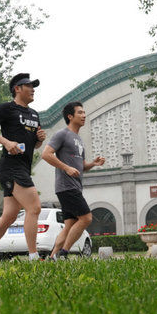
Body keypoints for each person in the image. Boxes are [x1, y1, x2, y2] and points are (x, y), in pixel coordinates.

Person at [0, 73, 46, 261]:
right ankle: (34, 257)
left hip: (23, 167)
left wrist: (39, 140)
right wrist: (6, 142)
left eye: (34, 86)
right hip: (11, 167)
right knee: (34, 207)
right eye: (29, 86)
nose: (33, 89)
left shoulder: (34, 114)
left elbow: (35, 145)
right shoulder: (7, 108)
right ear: (17, 88)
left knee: (9, 216)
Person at [41, 101, 105, 259]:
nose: (84, 115)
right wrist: (66, 168)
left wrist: (93, 164)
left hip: (75, 186)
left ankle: (53, 257)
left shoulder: (79, 140)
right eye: (80, 113)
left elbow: (81, 166)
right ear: (70, 116)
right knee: (86, 218)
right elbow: (46, 154)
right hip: (66, 186)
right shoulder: (62, 134)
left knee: (69, 225)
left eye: (84, 113)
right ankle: (63, 253)